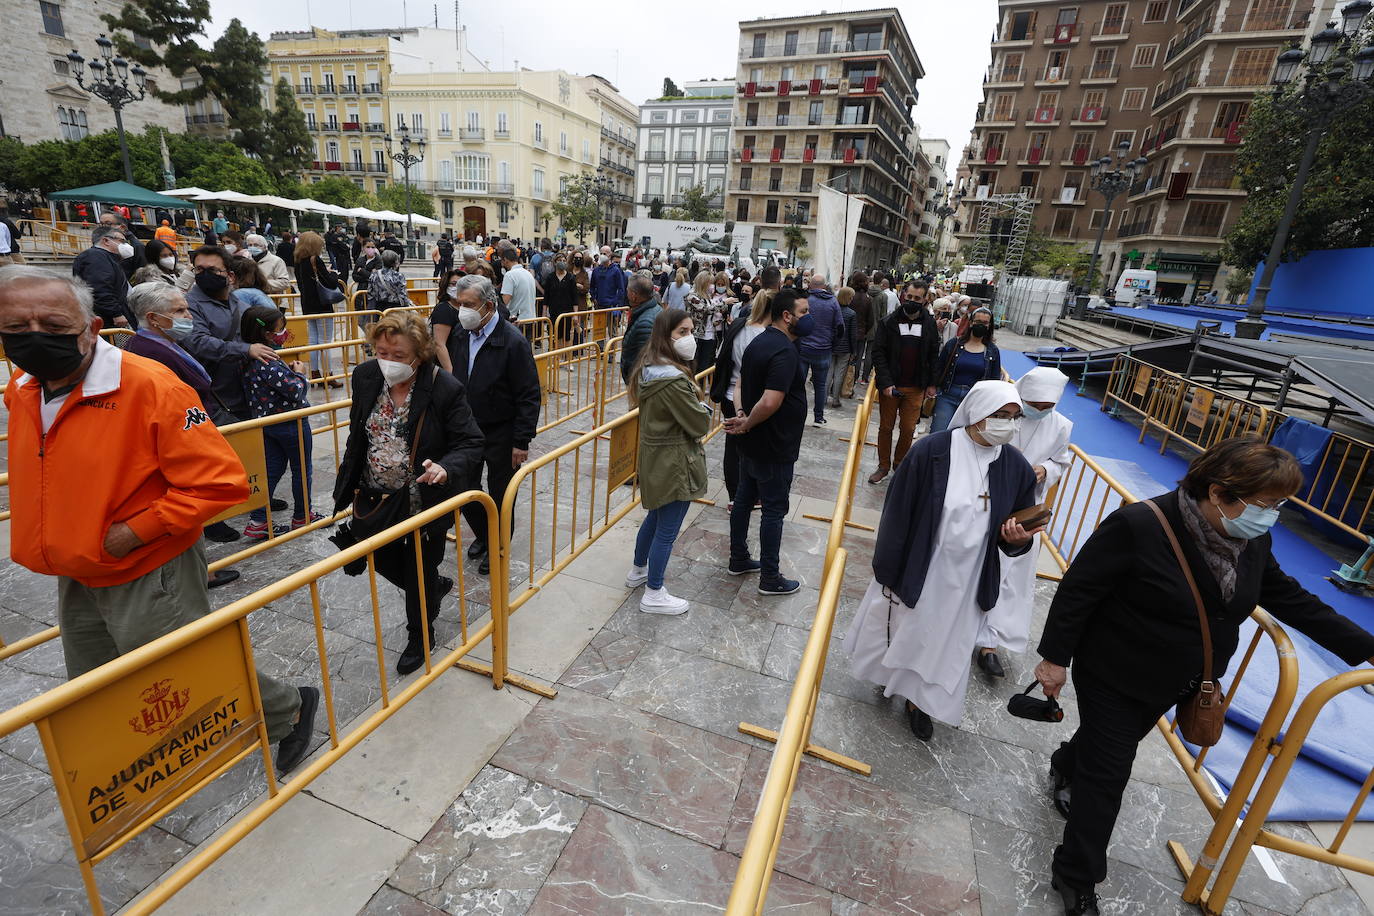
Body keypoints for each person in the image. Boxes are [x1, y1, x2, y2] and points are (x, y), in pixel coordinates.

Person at [1033, 438, 1374, 916]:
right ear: (1218, 493)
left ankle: (1068, 761)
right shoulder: (1140, 525)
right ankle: (1075, 873)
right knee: (1108, 776)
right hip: (1115, 669)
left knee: (1109, 744)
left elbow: (1289, 596)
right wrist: (1054, 659)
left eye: (1280, 505)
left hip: (1184, 677)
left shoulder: (1253, 538)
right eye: (1265, 504)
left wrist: (1367, 648)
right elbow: (1078, 590)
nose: (1272, 515)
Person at [0, 265, 319, 775]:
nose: (34, 339)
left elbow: (221, 482)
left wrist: (131, 534)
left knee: (188, 665)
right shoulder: (23, 389)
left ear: (92, 327)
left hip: (149, 565)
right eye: (16, 329)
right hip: (77, 565)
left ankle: (289, 709)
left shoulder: (150, 386)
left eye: (54, 327)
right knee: (98, 678)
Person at [844, 379, 1040, 741]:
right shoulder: (932, 451)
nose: (1009, 424)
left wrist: (1015, 540)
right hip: (922, 564)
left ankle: (920, 701)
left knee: (943, 642)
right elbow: (898, 512)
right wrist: (888, 568)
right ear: (978, 413)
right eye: (1000, 415)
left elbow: (1019, 528)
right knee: (902, 627)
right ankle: (887, 678)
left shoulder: (1016, 467)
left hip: (969, 577)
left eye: (1015, 417)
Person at [333, 312, 485, 674]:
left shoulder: (444, 388)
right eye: (381, 350)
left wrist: (445, 467)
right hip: (375, 496)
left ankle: (420, 635)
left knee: (419, 568)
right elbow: (359, 432)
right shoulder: (366, 376)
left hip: (423, 500)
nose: (388, 361)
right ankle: (433, 587)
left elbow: (470, 440)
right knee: (378, 556)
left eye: (398, 355)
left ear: (419, 353)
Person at [976, 368, 1073, 677]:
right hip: (985, 497)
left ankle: (990, 642)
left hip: (1024, 508)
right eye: (1034, 404)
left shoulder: (1060, 426)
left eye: (1047, 408)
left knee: (1011, 576)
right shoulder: (1002, 411)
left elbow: (1061, 460)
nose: (1040, 412)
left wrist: (1046, 470)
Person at [446, 275, 541, 574]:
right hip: (467, 430)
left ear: (488, 305)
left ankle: (498, 544)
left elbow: (528, 394)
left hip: (502, 431)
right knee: (464, 488)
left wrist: (521, 441)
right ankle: (485, 535)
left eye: (469, 305)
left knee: (501, 494)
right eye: (460, 304)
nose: (463, 311)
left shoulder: (512, 341)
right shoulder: (461, 334)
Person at [723, 288, 811, 596]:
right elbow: (772, 401)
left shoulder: (758, 341)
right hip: (774, 445)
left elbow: (741, 385)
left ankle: (738, 557)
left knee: (745, 500)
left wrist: (743, 415)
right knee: (773, 509)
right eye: (804, 312)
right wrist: (746, 420)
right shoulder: (784, 351)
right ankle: (770, 577)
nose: (808, 318)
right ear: (787, 316)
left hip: (753, 441)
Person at [624, 308, 711, 614]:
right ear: (666, 337)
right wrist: (704, 408)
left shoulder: (651, 368)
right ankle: (654, 591)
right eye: (682, 333)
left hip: (657, 457)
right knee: (667, 529)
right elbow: (699, 423)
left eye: (690, 331)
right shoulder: (672, 380)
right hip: (674, 462)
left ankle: (638, 570)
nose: (689, 338)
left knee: (655, 518)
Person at [240, 304, 321, 539]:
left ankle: (258, 520)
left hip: (266, 424)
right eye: (280, 329)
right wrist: (300, 373)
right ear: (267, 334)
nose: (283, 334)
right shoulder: (269, 362)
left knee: (272, 470)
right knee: (301, 469)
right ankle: (302, 515)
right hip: (289, 423)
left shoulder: (248, 357)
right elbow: (295, 391)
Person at [868, 280, 940, 484]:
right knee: (886, 427)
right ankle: (883, 465)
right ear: (903, 296)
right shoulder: (888, 322)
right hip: (891, 386)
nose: (912, 301)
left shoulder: (929, 324)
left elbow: (934, 354)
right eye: (909, 297)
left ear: (925, 300)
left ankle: (899, 465)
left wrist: (932, 383)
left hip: (916, 387)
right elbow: (878, 353)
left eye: (917, 298)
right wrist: (886, 383)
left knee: (908, 429)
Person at [710, 287, 773, 510]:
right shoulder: (767, 336)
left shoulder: (739, 326)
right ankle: (746, 496)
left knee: (733, 446)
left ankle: (734, 495)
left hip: (730, 395)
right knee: (751, 449)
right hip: (751, 398)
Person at [931, 306, 1003, 434]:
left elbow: (994, 379)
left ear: (990, 325)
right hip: (948, 396)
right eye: (978, 322)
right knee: (938, 434)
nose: (981, 325)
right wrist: (932, 386)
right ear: (970, 323)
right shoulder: (954, 344)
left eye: (985, 323)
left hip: (974, 401)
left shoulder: (993, 351)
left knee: (965, 439)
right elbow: (939, 367)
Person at [294, 230, 344, 389]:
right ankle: (328, 375)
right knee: (325, 343)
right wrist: (334, 274)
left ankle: (314, 373)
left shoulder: (298, 261)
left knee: (313, 341)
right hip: (322, 305)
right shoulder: (315, 260)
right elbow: (330, 283)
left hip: (307, 306)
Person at [798, 273, 844, 427]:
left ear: (811, 285)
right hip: (823, 349)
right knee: (820, 384)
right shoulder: (833, 302)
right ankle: (818, 416)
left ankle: (799, 414)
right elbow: (840, 327)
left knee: (798, 383)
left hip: (804, 347)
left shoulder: (805, 300)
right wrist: (833, 344)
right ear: (824, 286)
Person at [72, 225, 137, 329]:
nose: (126, 245)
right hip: (108, 320)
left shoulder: (107, 258)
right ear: (106, 241)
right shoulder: (95, 257)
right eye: (122, 241)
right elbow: (99, 288)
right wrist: (116, 313)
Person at [619, 275, 662, 384]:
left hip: (640, 383)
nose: (626, 293)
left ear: (633, 295)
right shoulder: (654, 309)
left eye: (627, 291)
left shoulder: (645, 322)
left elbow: (646, 359)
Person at [683, 270, 727, 376]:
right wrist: (724, 303)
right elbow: (705, 309)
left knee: (705, 367)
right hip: (696, 336)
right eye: (710, 283)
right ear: (703, 282)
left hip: (710, 336)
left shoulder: (708, 297)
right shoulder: (692, 296)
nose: (712, 286)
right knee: (694, 366)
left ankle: (701, 390)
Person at [827, 286, 858, 409]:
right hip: (844, 349)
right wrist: (853, 351)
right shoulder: (851, 314)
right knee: (840, 374)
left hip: (831, 346)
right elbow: (852, 335)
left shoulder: (833, 310)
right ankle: (835, 400)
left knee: (829, 372)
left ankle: (823, 398)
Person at [542, 253, 580, 348]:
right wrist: (544, 313)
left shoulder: (571, 278)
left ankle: (567, 359)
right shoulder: (550, 278)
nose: (562, 262)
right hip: (554, 311)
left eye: (564, 260)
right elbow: (546, 297)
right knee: (555, 335)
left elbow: (575, 297)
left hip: (567, 312)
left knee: (567, 336)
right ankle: (557, 359)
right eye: (560, 260)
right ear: (555, 262)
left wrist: (575, 314)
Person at [848, 271, 877, 386]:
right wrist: (864, 330)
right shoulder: (867, 299)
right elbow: (871, 320)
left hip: (848, 332)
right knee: (857, 359)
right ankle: (851, 384)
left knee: (844, 359)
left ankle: (838, 384)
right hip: (860, 333)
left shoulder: (850, 296)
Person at [99, 212, 147, 278]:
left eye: (108, 224)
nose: (102, 228)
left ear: (122, 227)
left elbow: (144, 273)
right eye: (101, 224)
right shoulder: (100, 243)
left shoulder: (137, 246)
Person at [498, 241, 536, 323]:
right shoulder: (528, 273)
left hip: (517, 321)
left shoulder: (509, 275)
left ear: (505, 260)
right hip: (531, 319)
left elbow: (505, 301)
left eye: (502, 261)